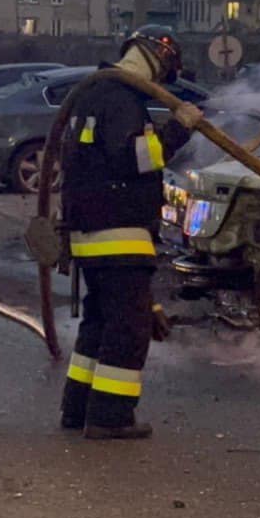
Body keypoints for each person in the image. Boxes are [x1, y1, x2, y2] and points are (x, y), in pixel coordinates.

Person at [59, 25, 203, 439]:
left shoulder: (93, 93)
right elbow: (134, 158)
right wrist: (179, 128)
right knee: (128, 327)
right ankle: (110, 417)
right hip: (119, 230)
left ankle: (79, 408)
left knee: (100, 321)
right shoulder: (121, 98)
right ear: (158, 58)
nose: (160, 84)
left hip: (90, 232)